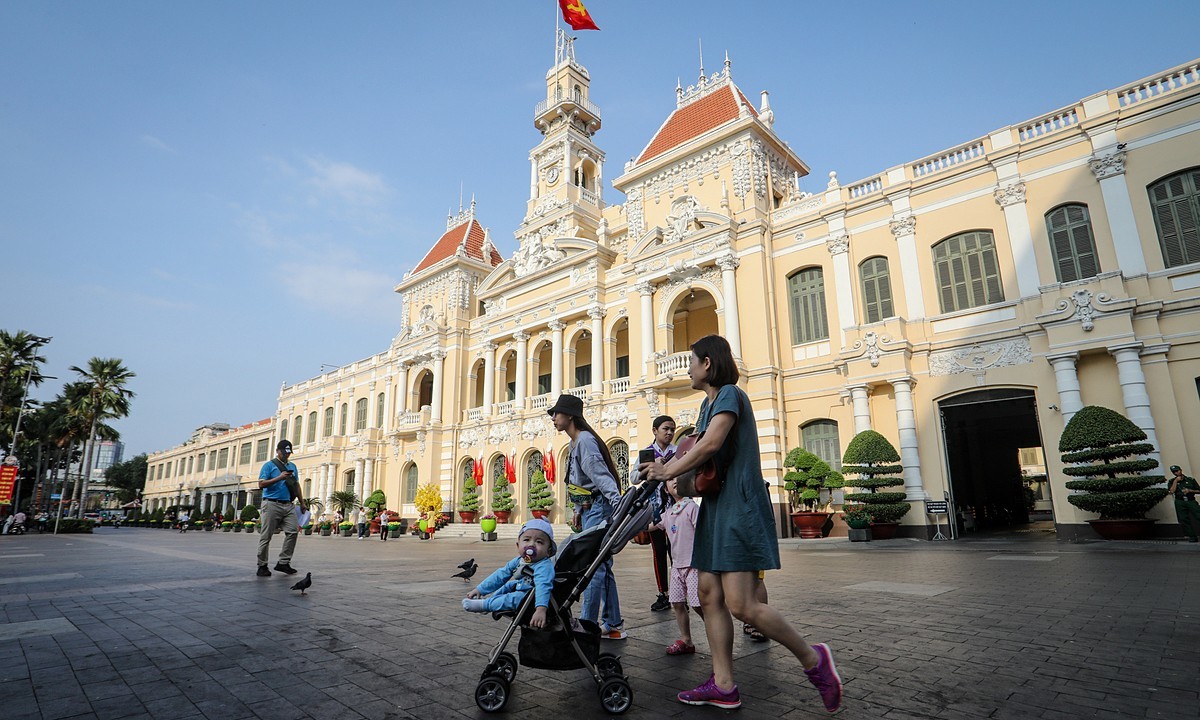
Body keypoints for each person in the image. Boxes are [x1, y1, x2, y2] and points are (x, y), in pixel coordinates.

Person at [643, 335, 842, 712]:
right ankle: (723, 685)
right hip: (716, 508)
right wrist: (671, 479)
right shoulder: (707, 405)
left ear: (708, 363)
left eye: (692, 361)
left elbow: (711, 444)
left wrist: (667, 467)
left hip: (739, 506)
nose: (687, 368)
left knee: (742, 604)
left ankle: (815, 660)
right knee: (708, 594)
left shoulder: (730, 395)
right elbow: (700, 458)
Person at [550, 392, 627, 640]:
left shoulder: (584, 441)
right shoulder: (576, 442)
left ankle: (588, 624)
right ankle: (613, 623)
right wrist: (578, 510)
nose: (553, 417)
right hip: (591, 509)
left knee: (592, 568)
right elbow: (580, 482)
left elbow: (602, 479)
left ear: (570, 416)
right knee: (601, 566)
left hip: (600, 509)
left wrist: (619, 508)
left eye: (557, 413)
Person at [462, 518, 557, 628]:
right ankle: (490, 602)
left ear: (548, 551)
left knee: (514, 598)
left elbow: (543, 586)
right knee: (508, 585)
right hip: (521, 588)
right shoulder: (519, 561)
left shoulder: (544, 566)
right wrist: (480, 589)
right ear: (518, 546)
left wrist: (541, 609)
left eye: (539, 542)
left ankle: (486, 605)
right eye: (526, 540)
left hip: (532, 598)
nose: (531, 544)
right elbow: (501, 575)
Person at [654, 476, 703, 655]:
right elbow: (651, 525)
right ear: (666, 489)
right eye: (670, 479)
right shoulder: (669, 513)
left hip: (693, 565)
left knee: (698, 605)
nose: (674, 481)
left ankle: (715, 631)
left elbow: (701, 533)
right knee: (677, 603)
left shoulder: (691, 507)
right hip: (676, 567)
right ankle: (686, 640)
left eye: (678, 477)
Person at [637, 415, 677, 613]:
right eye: (665, 429)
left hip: (675, 510)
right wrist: (650, 467)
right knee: (659, 552)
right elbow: (635, 477)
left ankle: (681, 594)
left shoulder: (678, 452)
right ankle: (664, 594)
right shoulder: (647, 452)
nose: (669, 432)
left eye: (672, 429)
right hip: (655, 512)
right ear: (654, 431)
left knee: (677, 553)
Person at [256, 439, 305, 576]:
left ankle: (283, 562)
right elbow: (261, 484)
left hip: (288, 505)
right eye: (284, 452)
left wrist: (302, 503)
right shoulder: (269, 466)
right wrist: (279, 477)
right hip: (271, 504)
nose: (286, 455)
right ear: (278, 451)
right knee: (266, 536)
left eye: (288, 453)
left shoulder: (293, 466)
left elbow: (296, 485)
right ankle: (262, 565)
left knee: (293, 531)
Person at [1167, 464, 1200, 543]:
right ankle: (1192, 536)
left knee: (1198, 515)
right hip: (1180, 501)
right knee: (1184, 519)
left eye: (1177, 471)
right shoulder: (1172, 481)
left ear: (1180, 470)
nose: (1176, 473)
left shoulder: (1190, 479)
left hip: (1190, 500)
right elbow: (1171, 491)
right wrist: (1175, 481)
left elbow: (1199, 490)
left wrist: (1190, 491)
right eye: (1174, 472)